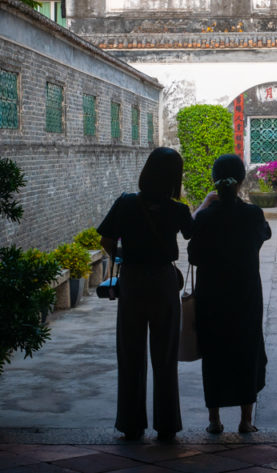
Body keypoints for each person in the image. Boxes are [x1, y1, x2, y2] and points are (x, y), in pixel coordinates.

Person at [98, 147, 214, 442]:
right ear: (174, 177)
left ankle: (131, 424)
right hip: (163, 282)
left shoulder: (125, 203)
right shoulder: (177, 210)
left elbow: (107, 239)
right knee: (165, 356)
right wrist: (204, 204)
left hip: (133, 281)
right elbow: (193, 233)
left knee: (130, 354)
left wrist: (126, 257)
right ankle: (167, 425)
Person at [187, 154, 272, 434]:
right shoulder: (253, 214)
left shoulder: (206, 218)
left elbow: (193, 254)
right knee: (246, 352)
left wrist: (204, 206)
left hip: (212, 297)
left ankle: (214, 420)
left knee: (215, 354)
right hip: (245, 295)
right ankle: (246, 421)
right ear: (241, 180)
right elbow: (265, 234)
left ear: (214, 180)